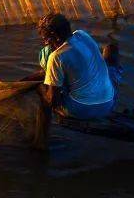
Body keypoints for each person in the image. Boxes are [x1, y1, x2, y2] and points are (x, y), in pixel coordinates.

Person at [31, 13, 119, 146]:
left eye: (46, 38)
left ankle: (39, 144)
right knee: (109, 51)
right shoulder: (82, 35)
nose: (45, 42)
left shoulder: (56, 57)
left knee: (41, 89)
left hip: (83, 110)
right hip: (109, 101)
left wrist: (40, 89)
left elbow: (52, 101)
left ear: (54, 35)